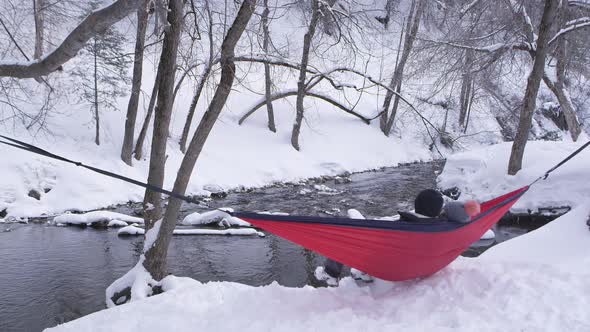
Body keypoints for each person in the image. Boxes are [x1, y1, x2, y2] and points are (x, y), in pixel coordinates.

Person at [315, 189, 481, 285]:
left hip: (391, 268)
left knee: (348, 239)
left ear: (417, 205)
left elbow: (376, 245)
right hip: (420, 265)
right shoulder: (443, 227)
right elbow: (457, 214)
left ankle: (331, 273)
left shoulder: (402, 227)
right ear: (438, 210)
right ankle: (362, 272)